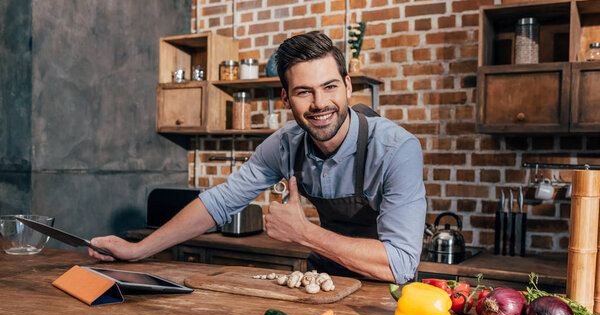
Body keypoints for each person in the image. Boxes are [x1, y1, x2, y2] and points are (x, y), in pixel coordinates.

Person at [89, 31, 426, 284]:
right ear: (285, 98)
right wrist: (138, 250)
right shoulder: (284, 145)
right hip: (323, 281)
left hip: (386, 292)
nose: (320, 103)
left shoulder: (396, 149)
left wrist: (303, 233)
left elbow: (400, 263)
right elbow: (218, 203)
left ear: (348, 86)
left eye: (330, 87)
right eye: (303, 91)